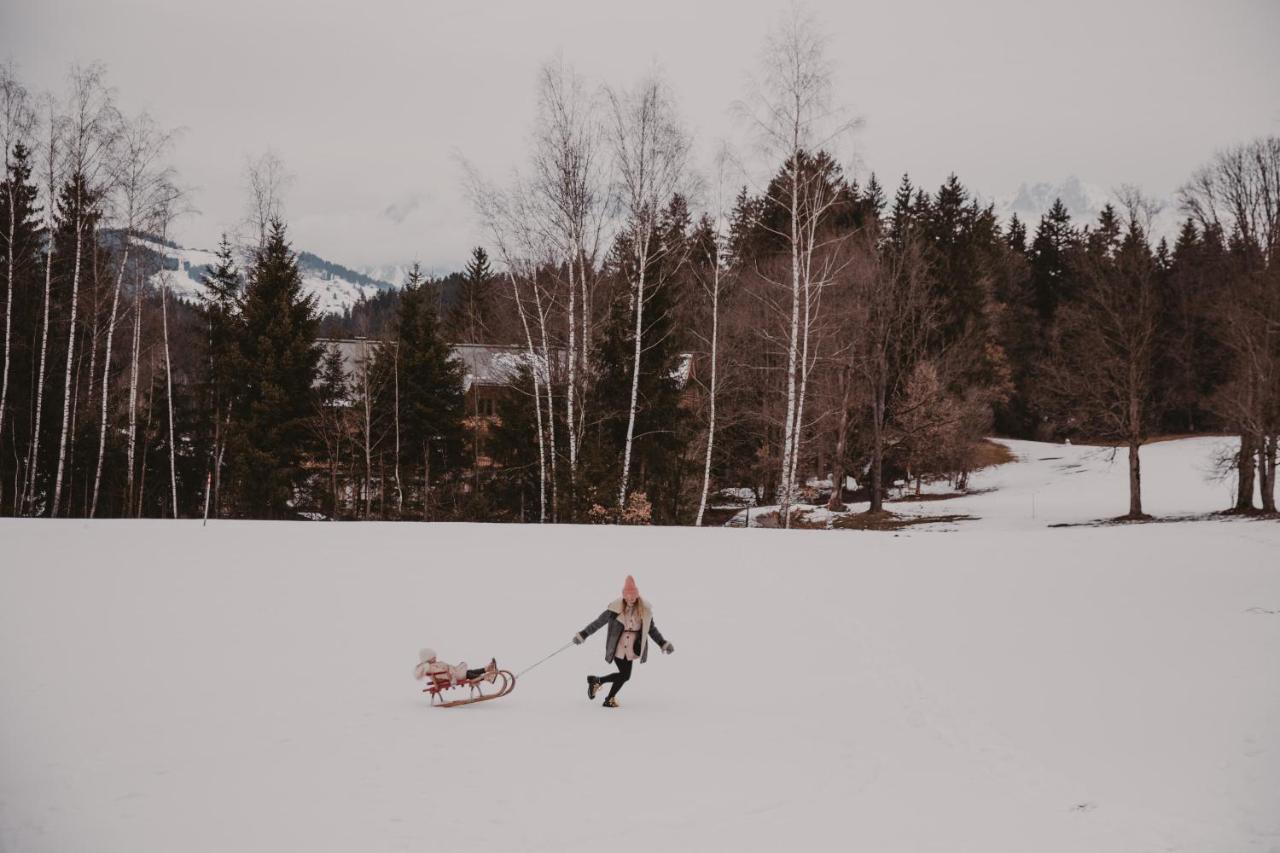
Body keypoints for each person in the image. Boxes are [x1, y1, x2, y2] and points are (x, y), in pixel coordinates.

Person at [573, 575, 674, 708]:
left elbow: (652, 630)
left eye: (633, 595)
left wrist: (663, 643)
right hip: (618, 646)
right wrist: (583, 634)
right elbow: (598, 623)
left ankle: (598, 683)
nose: (631, 598)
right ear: (624, 596)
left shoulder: (644, 611)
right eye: (628, 595)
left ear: (637, 595)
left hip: (632, 647)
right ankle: (607, 695)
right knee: (625, 675)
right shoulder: (614, 610)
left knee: (624, 675)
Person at [413, 648, 497, 684]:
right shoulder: (431, 668)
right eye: (433, 657)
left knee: (468, 672)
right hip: (452, 677)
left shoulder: (432, 665)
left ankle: (487, 669)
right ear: (428, 658)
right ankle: (488, 678)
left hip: (452, 673)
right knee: (467, 674)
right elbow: (442, 674)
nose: (435, 658)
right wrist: (452, 677)